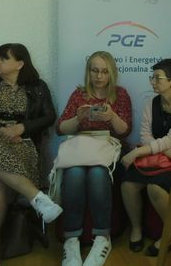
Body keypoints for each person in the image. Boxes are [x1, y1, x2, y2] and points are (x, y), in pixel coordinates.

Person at [0, 43, 61, 266]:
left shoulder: (37, 87)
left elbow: (49, 116)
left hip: (21, 145)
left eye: (3, 58)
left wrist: (22, 128)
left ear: (20, 64)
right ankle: (37, 197)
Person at [57, 51, 132, 266]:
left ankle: (102, 237)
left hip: (107, 147)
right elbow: (60, 128)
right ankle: (71, 239)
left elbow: (125, 130)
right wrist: (77, 118)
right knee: (74, 173)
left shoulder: (120, 94)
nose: (99, 76)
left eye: (104, 72)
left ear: (112, 73)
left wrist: (111, 116)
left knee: (98, 173)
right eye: (95, 71)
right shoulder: (79, 94)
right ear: (88, 72)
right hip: (81, 146)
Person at [120, 58, 171, 256]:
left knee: (155, 188)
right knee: (127, 185)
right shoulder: (151, 103)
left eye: (158, 78)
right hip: (161, 156)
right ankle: (136, 229)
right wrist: (164, 150)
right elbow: (145, 135)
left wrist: (138, 152)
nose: (153, 82)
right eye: (152, 77)